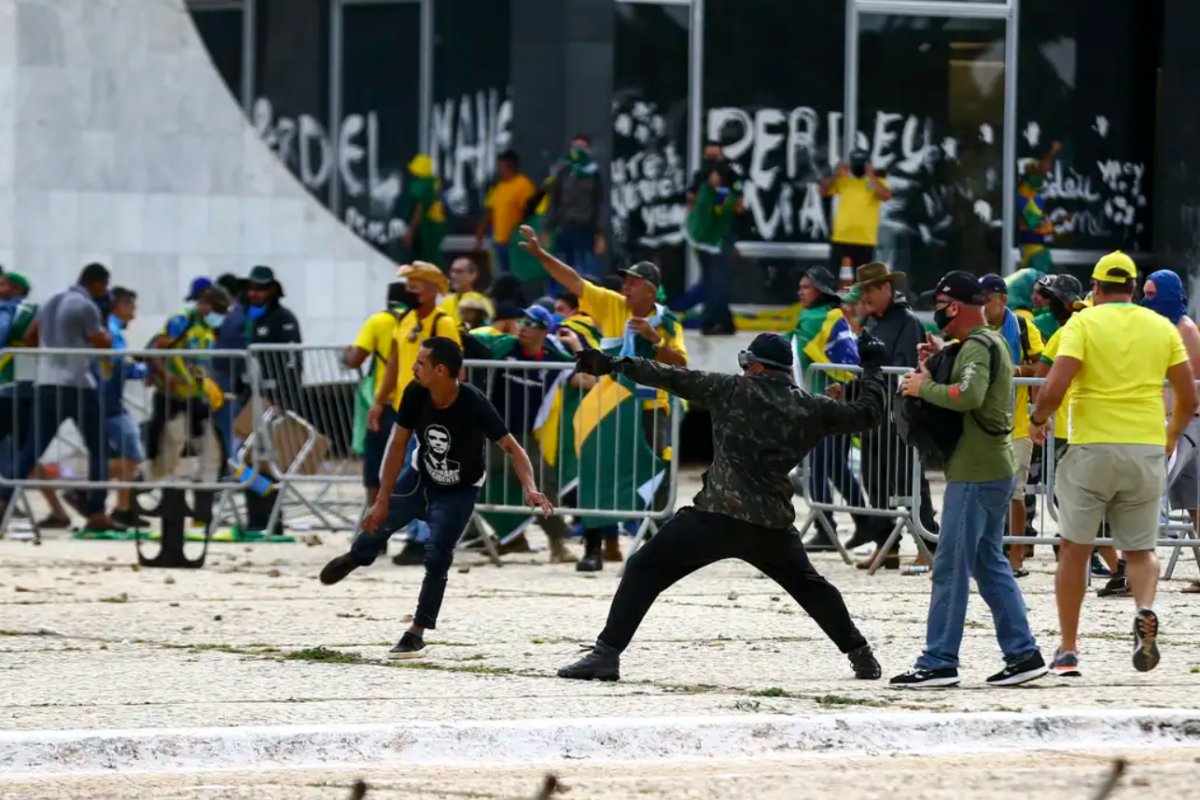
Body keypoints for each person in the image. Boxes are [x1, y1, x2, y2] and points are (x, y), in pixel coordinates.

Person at [555, 332, 887, 682]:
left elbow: (668, 375)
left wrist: (613, 364)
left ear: (756, 366)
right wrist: (873, 367)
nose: (744, 371)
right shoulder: (810, 407)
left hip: (716, 516)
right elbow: (867, 414)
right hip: (770, 524)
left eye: (747, 364)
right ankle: (861, 654)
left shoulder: (731, 389)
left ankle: (606, 655)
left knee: (643, 568)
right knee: (812, 588)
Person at [319, 337, 555, 658]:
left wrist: (530, 486)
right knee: (376, 526)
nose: (414, 368)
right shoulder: (415, 393)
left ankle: (416, 632)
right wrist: (382, 498)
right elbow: (397, 445)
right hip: (419, 478)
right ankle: (357, 556)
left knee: (438, 555)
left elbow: (513, 448)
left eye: (420, 363)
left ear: (440, 370)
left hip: (459, 490)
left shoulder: (474, 403)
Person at [1030, 252, 1198, 676]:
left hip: (1092, 447)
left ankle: (1068, 649)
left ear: (1097, 287)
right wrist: (1172, 435)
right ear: (1134, 288)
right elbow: (1189, 395)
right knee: (1141, 550)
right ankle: (1144, 608)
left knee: (1074, 549)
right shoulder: (1162, 327)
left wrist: (1037, 420)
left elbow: (1054, 385)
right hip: (1145, 447)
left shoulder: (1084, 323)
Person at [891, 272, 1047, 688]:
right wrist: (939, 359)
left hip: (976, 473)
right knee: (989, 563)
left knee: (950, 565)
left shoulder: (978, 346)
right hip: (988, 468)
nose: (936, 312)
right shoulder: (984, 342)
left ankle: (938, 660)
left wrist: (922, 388)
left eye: (939, 305)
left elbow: (970, 395)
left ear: (953, 306)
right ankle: (1023, 653)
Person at [518, 225, 687, 571]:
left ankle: (655, 548)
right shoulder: (611, 305)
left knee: (654, 475)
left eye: (632, 282)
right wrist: (539, 255)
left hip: (651, 408)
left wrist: (656, 340)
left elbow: (681, 363)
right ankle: (594, 548)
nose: (624, 286)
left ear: (650, 289)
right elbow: (574, 281)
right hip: (610, 407)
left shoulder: (668, 322)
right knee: (597, 472)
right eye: (624, 281)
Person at [469, 306, 592, 563]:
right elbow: (471, 341)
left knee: (540, 483)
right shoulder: (506, 345)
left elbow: (589, 382)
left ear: (544, 331)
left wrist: (577, 346)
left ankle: (557, 543)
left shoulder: (554, 357)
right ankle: (512, 537)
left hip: (522, 434)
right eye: (522, 320)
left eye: (531, 323)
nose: (523, 326)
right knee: (472, 482)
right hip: (490, 430)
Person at [0, 264, 117, 531]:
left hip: (45, 382)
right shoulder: (85, 306)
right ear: (98, 283)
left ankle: (3, 498)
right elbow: (101, 341)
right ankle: (97, 510)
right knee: (98, 448)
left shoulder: (51, 300)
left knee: (31, 449)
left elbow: (31, 337)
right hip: (77, 384)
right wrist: (106, 330)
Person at [367, 262, 461, 565]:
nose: (409, 288)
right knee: (396, 474)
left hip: (433, 409)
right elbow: (394, 363)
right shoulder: (404, 319)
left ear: (433, 288)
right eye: (408, 283)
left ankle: (422, 540)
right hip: (405, 408)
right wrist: (379, 401)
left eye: (415, 283)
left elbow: (458, 368)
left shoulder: (443, 323)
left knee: (421, 476)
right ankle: (411, 535)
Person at [851, 262, 937, 565]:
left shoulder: (907, 322)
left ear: (888, 288)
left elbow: (902, 366)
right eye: (864, 290)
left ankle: (928, 544)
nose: (867, 295)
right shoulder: (871, 323)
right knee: (873, 481)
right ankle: (886, 545)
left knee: (908, 480)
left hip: (898, 414)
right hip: (874, 414)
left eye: (873, 288)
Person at [787, 267, 867, 551]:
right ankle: (864, 522)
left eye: (806, 287)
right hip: (821, 406)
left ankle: (828, 528)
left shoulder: (830, 318)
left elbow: (848, 363)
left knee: (821, 467)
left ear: (819, 291)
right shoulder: (816, 318)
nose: (800, 291)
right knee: (830, 467)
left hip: (833, 407)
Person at [146, 286, 230, 527]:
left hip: (195, 400)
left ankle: (202, 517)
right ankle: (136, 492)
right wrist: (166, 376)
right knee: (169, 460)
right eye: (218, 309)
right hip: (172, 400)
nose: (220, 315)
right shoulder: (181, 320)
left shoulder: (208, 329)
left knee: (212, 454)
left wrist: (207, 384)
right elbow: (155, 351)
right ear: (204, 303)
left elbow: (196, 362)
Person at [1139, 270, 1200, 595]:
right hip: (1180, 421)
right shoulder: (1165, 327)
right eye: (1144, 293)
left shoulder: (1184, 329)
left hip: (1183, 424)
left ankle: (1130, 569)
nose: (1146, 300)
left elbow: (1189, 380)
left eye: (1152, 294)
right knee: (1195, 504)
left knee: (1147, 492)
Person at [979, 274, 1044, 577]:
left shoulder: (1021, 326)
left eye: (987, 299)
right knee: (981, 489)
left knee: (1015, 492)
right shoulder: (974, 327)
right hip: (981, 423)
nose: (982, 306)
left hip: (1016, 422)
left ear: (1003, 299)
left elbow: (1042, 367)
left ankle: (1017, 553)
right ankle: (987, 550)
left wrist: (1016, 370)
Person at [0, 273, 72, 529]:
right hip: (29, 385)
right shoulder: (36, 309)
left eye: (3, 284)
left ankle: (5, 503)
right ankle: (57, 511)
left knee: (23, 454)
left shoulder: (14, 308)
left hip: (11, 385)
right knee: (26, 455)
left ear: (18, 288)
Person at [243, 265, 302, 535]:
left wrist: (285, 402)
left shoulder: (283, 318)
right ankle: (255, 517)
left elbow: (293, 361)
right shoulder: (245, 317)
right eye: (252, 288)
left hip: (274, 402)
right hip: (249, 399)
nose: (255, 293)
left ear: (272, 289)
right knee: (245, 460)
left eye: (261, 288)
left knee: (271, 463)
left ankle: (272, 520)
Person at [346, 281, 409, 508]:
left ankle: (375, 521)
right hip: (415, 403)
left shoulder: (378, 321)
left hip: (386, 403)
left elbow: (354, 360)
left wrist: (346, 354)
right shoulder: (417, 322)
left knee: (376, 464)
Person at [98, 287, 149, 528]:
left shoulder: (110, 326)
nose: (135, 313)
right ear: (119, 306)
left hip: (107, 399)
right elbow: (120, 362)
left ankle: (123, 507)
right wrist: (147, 370)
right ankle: (86, 487)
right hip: (108, 400)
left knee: (127, 454)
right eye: (131, 307)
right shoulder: (112, 328)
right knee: (132, 453)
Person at [685, 141, 745, 335]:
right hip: (704, 237)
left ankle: (713, 320)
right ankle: (720, 320)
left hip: (722, 237)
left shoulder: (731, 176)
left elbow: (737, 206)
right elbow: (693, 203)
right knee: (711, 280)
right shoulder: (700, 179)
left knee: (719, 280)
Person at [822, 149, 893, 281]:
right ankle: (831, 301)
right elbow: (823, 191)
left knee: (861, 282)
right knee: (831, 278)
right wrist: (835, 175)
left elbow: (886, 196)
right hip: (841, 236)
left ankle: (859, 302)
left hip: (864, 238)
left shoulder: (877, 181)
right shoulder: (843, 180)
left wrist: (871, 175)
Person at [544, 134, 606, 279]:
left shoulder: (594, 174)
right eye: (575, 147)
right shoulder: (564, 172)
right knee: (563, 274)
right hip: (565, 229)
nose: (577, 150)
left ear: (589, 150)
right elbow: (554, 201)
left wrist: (601, 234)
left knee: (588, 275)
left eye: (582, 147)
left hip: (587, 230)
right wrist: (547, 228)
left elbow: (600, 204)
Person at [475, 150, 538, 275]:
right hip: (498, 240)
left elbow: (531, 212)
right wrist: (480, 233)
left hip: (515, 241)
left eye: (500, 165)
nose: (498, 169)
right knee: (500, 274)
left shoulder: (523, 184)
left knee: (515, 274)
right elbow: (489, 212)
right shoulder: (498, 187)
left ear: (509, 165)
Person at [1017, 141, 1061, 273]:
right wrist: (1053, 153)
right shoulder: (1024, 193)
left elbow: (1038, 222)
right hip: (1034, 251)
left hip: (1039, 248)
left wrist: (1058, 221)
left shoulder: (1036, 196)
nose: (1043, 176)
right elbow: (1031, 223)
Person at [400, 154, 447, 267]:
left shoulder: (422, 185)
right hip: (434, 225)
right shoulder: (434, 183)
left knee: (425, 260)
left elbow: (419, 209)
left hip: (426, 227)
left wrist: (410, 231)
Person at [440, 257, 494, 322]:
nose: (453, 275)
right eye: (452, 271)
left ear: (473, 275)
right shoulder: (446, 301)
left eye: (459, 271)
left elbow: (488, 325)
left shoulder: (481, 301)